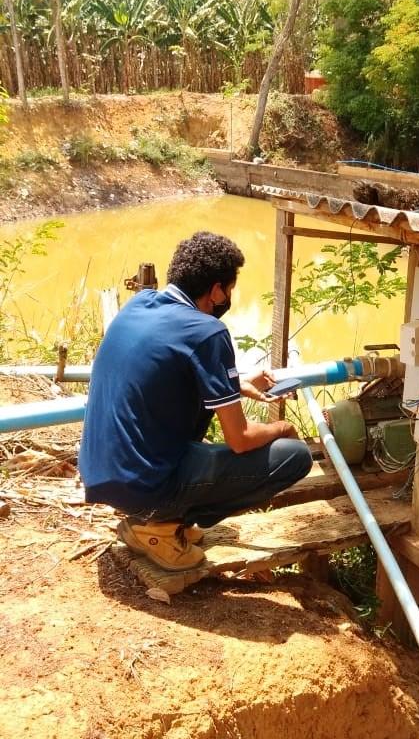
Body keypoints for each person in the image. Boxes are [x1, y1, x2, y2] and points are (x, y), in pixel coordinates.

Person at [79, 231, 313, 571]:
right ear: (216, 290)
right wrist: (283, 426)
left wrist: (238, 385)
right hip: (143, 486)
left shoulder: (138, 306)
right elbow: (241, 439)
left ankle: (157, 519)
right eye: (229, 290)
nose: (228, 298)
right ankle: (158, 524)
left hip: (103, 476)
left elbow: (163, 376)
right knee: (294, 456)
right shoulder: (207, 331)